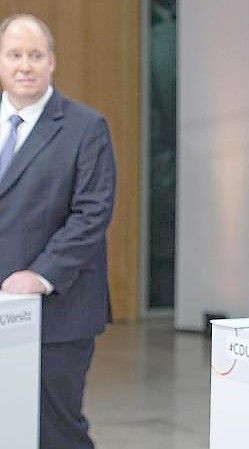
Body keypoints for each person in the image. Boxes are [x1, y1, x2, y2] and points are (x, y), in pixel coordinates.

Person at [0, 14, 116, 449]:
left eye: (35, 55)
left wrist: (41, 274)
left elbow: (92, 213)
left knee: (55, 432)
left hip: (57, 314)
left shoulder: (86, 128)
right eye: (14, 55)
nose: (24, 65)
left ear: (52, 62)